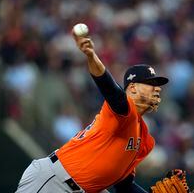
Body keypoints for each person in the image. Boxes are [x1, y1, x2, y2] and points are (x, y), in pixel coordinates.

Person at [15, 30, 169, 193]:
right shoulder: (124, 111)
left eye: (157, 84)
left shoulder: (143, 138)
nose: (157, 88)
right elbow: (111, 90)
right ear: (132, 88)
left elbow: (124, 185)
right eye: (150, 84)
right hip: (55, 182)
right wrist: (91, 56)